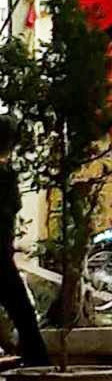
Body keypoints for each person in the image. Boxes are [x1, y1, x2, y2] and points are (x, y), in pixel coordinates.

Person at [0, 116, 49, 367]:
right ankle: (37, 359)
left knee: (19, 306)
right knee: (21, 308)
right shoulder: (5, 174)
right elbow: (13, 207)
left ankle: (36, 356)